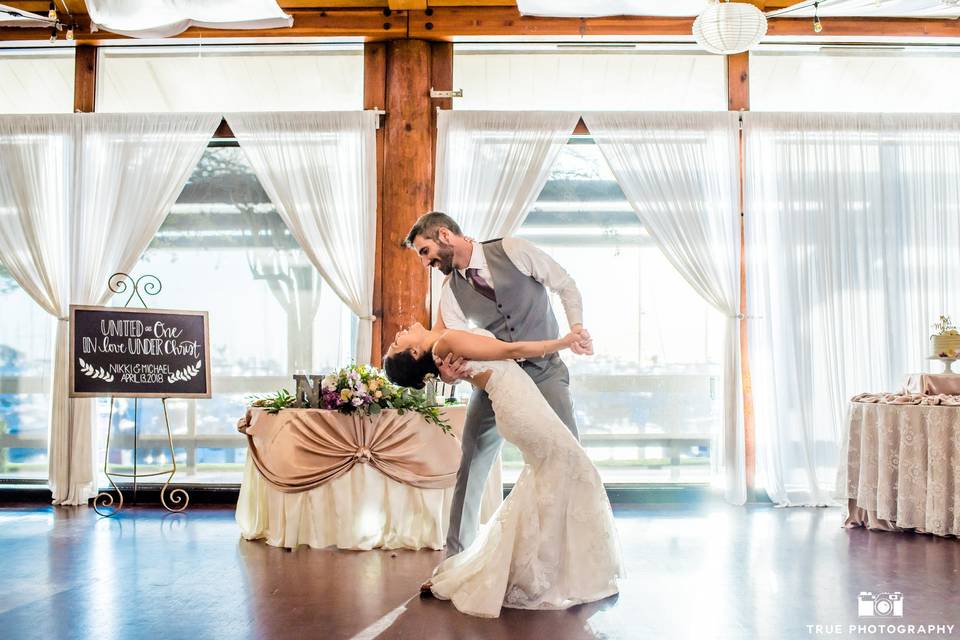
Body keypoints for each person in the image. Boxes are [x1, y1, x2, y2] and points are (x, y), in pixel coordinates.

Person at [383, 322, 621, 618]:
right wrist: (564, 342)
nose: (398, 333)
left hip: (517, 404)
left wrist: (451, 377)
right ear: (414, 351)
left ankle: (537, 567)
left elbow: (479, 362)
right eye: (397, 343)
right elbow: (511, 350)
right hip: (518, 408)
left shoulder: (443, 347)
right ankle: (544, 571)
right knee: (576, 467)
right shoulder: (446, 342)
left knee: (549, 478)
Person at [403, 211, 593, 558]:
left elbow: (564, 283)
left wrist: (576, 327)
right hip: (496, 380)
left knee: (568, 454)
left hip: (546, 369)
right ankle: (454, 558)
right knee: (472, 462)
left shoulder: (512, 249)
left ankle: (572, 554)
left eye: (425, 251)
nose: (426, 262)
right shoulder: (451, 291)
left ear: (445, 235)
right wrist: (451, 372)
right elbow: (457, 342)